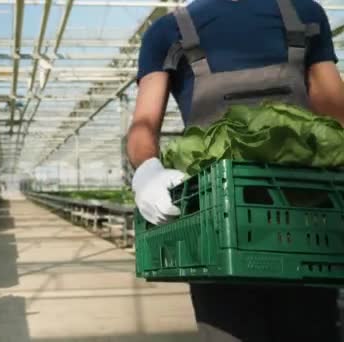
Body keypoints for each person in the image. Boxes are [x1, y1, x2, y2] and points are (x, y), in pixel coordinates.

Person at [127, 0, 344, 341]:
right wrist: (148, 171)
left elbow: (335, 117)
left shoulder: (305, 14)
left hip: (305, 226)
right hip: (220, 231)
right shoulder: (167, 32)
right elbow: (143, 126)